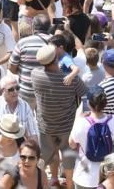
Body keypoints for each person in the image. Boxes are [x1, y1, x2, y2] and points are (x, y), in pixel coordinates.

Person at [31, 43, 87, 187]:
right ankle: (69, 186)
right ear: (56, 58)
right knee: (68, 159)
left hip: (45, 127)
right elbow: (86, 94)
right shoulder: (70, 79)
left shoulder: (35, 75)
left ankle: (53, 178)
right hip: (67, 127)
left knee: (49, 155)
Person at [70, 89, 114, 189]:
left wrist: (77, 118)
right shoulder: (113, 120)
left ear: (89, 104)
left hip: (83, 175)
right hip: (103, 177)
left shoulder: (81, 122)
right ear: (105, 103)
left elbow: (72, 144)